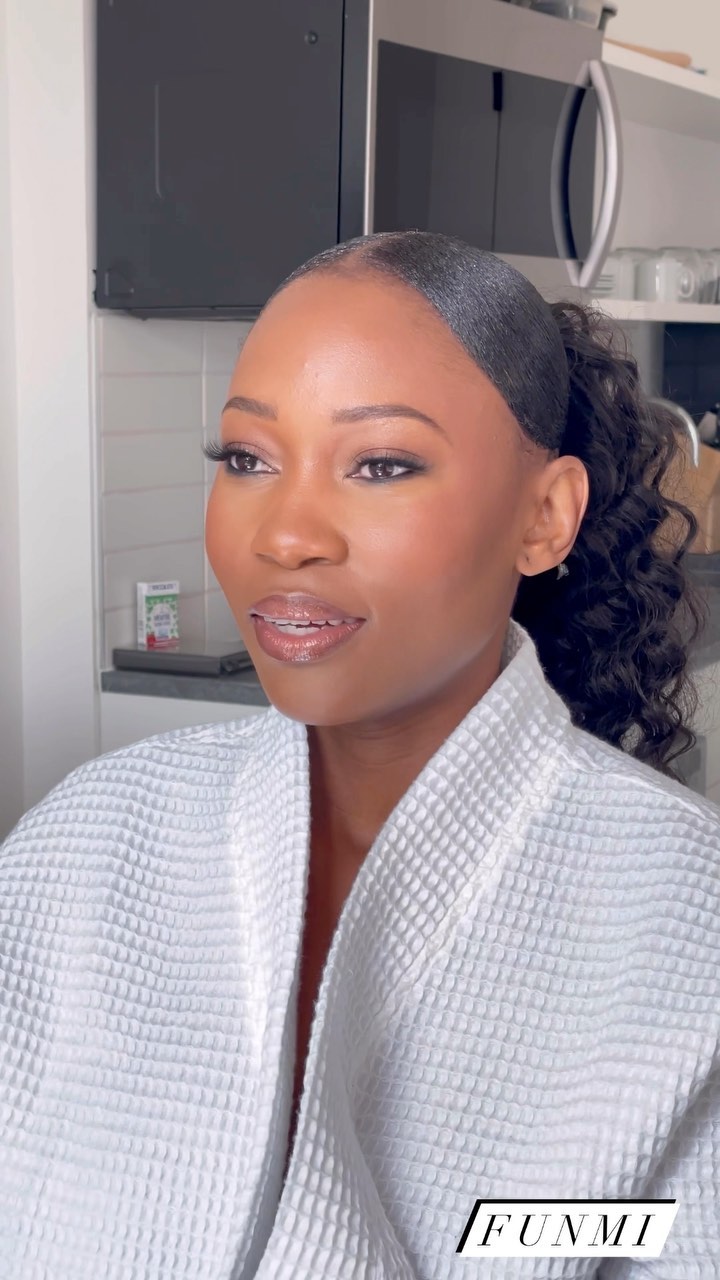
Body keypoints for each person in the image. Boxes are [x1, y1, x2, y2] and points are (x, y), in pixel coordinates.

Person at [1, 230, 718, 1280]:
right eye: (247, 459)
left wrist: (495, 1227)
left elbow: (660, 1235)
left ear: (544, 516)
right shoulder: (86, 840)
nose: (286, 535)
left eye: (382, 464)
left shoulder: (686, 913)